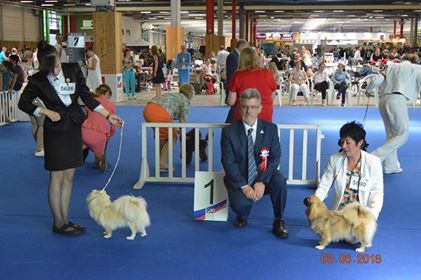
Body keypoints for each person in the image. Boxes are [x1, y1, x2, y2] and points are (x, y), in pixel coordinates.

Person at [18, 40, 123, 236]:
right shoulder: (37, 80)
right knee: (56, 176)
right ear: (43, 66)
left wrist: (109, 115)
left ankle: (66, 219)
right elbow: (23, 103)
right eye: (51, 69)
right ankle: (58, 222)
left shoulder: (73, 69)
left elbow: (88, 98)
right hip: (55, 130)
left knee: (70, 175)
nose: (56, 71)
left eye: (57, 66)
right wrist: (45, 111)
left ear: (60, 58)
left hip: (74, 126)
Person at [221, 89, 288, 238]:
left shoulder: (271, 129)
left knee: (280, 181)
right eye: (244, 106)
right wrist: (244, 186)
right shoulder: (229, 132)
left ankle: (279, 220)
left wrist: (261, 181)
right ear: (239, 108)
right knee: (240, 205)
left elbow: (275, 157)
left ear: (260, 109)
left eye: (253, 107)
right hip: (241, 178)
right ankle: (242, 215)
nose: (248, 111)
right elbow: (228, 162)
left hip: (263, 175)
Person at [315, 121, 384, 220]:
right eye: (342, 142)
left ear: (359, 143)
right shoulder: (334, 160)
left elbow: (376, 193)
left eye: (348, 142)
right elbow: (324, 186)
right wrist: (315, 203)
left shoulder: (374, 163)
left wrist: (372, 216)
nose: (343, 146)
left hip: (361, 217)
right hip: (339, 215)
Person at [371, 54, 421, 174]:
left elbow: (376, 80)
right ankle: (373, 158)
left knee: (391, 135)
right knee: (402, 134)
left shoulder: (391, 66)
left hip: (383, 100)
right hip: (397, 100)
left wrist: (368, 90)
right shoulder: (416, 68)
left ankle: (391, 166)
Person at [143, 83, 195, 171]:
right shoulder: (185, 100)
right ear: (190, 93)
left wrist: (177, 130)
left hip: (148, 109)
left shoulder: (172, 95)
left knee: (163, 137)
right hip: (160, 113)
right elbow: (183, 121)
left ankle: (160, 161)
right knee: (173, 137)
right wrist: (182, 134)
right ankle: (161, 162)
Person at [227, 47, 277, 122]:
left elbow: (231, 101)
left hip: (245, 114)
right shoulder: (268, 74)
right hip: (265, 113)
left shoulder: (238, 75)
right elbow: (272, 97)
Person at [82, 84, 116, 171]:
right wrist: (108, 137)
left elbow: (85, 117)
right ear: (107, 93)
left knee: (85, 143)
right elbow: (113, 127)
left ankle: (79, 158)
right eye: (109, 96)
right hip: (99, 136)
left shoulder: (90, 102)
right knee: (102, 143)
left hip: (85, 133)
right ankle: (100, 160)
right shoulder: (111, 105)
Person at [224, 39, 249, 123]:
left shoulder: (236, 56)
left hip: (235, 85)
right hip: (233, 86)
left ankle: (229, 125)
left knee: (235, 108)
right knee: (234, 107)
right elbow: (231, 74)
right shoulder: (233, 56)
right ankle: (227, 126)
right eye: (245, 47)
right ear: (241, 46)